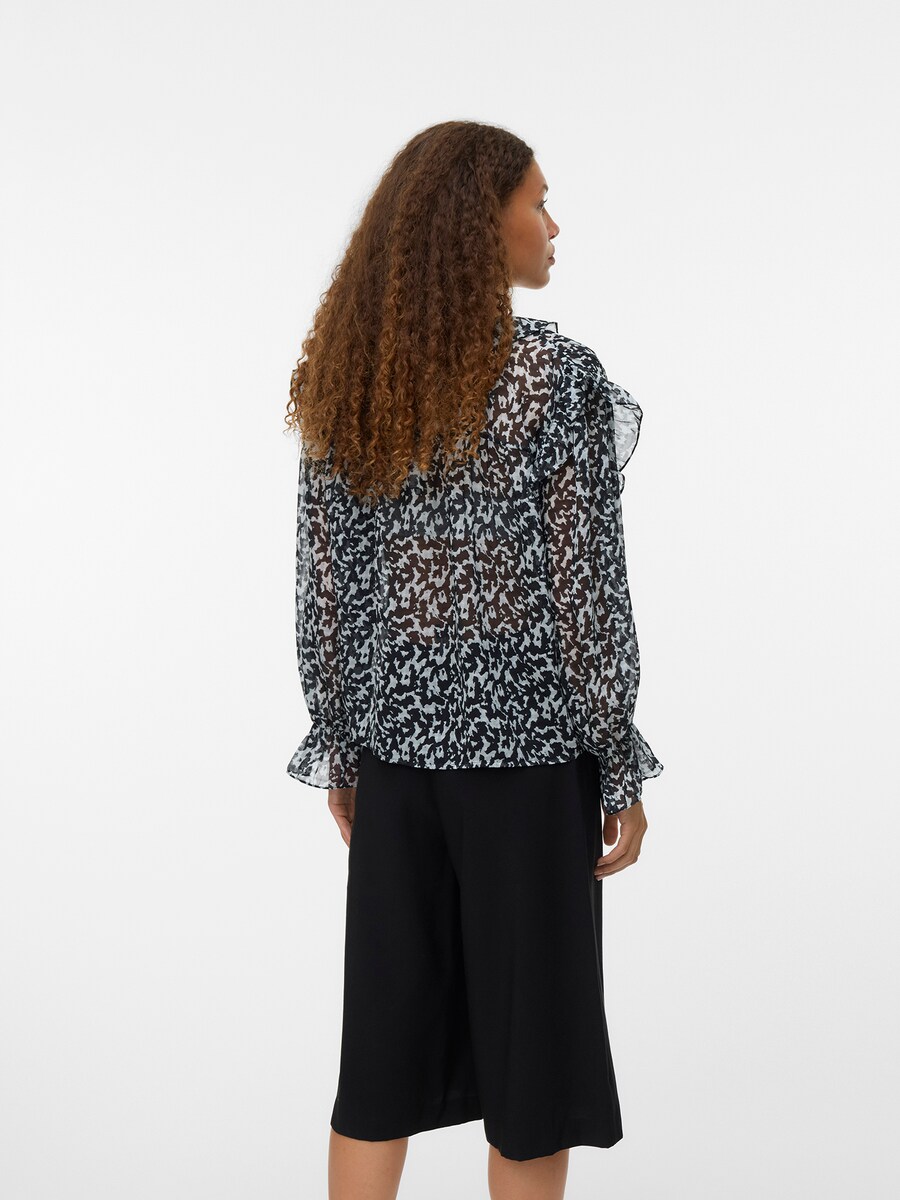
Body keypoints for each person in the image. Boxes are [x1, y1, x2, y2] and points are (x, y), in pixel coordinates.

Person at [284, 120, 664, 1200]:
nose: (554, 223)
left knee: (380, 1061)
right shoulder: (557, 380)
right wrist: (619, 758)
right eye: (537, 201)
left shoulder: (355, 379)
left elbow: (327, 586)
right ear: (479, 224)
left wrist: (344, 745)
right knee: (532, 1065)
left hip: (397, 762)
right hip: (532, 766)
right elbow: (587, 592)